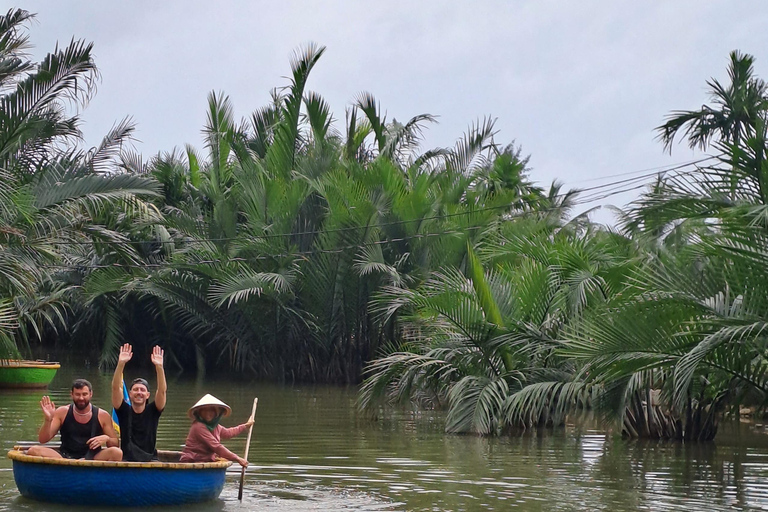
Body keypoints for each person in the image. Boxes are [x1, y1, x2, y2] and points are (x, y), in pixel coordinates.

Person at [27, 379, 122, 460]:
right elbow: (43, 440)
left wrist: (107, 438)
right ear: (71, 395)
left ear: (91, 394)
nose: (81, 398)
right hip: (65, 457)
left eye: (84, 394)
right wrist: (48, 420)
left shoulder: (102, 415)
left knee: (117, 453)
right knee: (34, 450)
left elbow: (115, 444)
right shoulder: (62, 412)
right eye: (77, 394)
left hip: (92, 458)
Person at [111, 343, 167, 461]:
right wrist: (121, 364)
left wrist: (159, 368)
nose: (139, 392)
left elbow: (162, 390)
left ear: (148, 395)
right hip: (126, 460)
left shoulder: (153, 411)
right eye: (135, 389)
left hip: (150, 459)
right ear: (130, 394)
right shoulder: (123, 410)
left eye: (142, 390)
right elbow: (116, 388)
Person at [180, 394, 253, 467]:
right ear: (199, 413)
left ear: (216, 413)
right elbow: (216, 446)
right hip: (192, 461)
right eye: (204, 410)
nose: (207, 414)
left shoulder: (216, 426)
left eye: (211, 411)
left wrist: (245, 426)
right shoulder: (198, 426)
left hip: (206, 461)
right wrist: (237, 458)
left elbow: (228, 433)